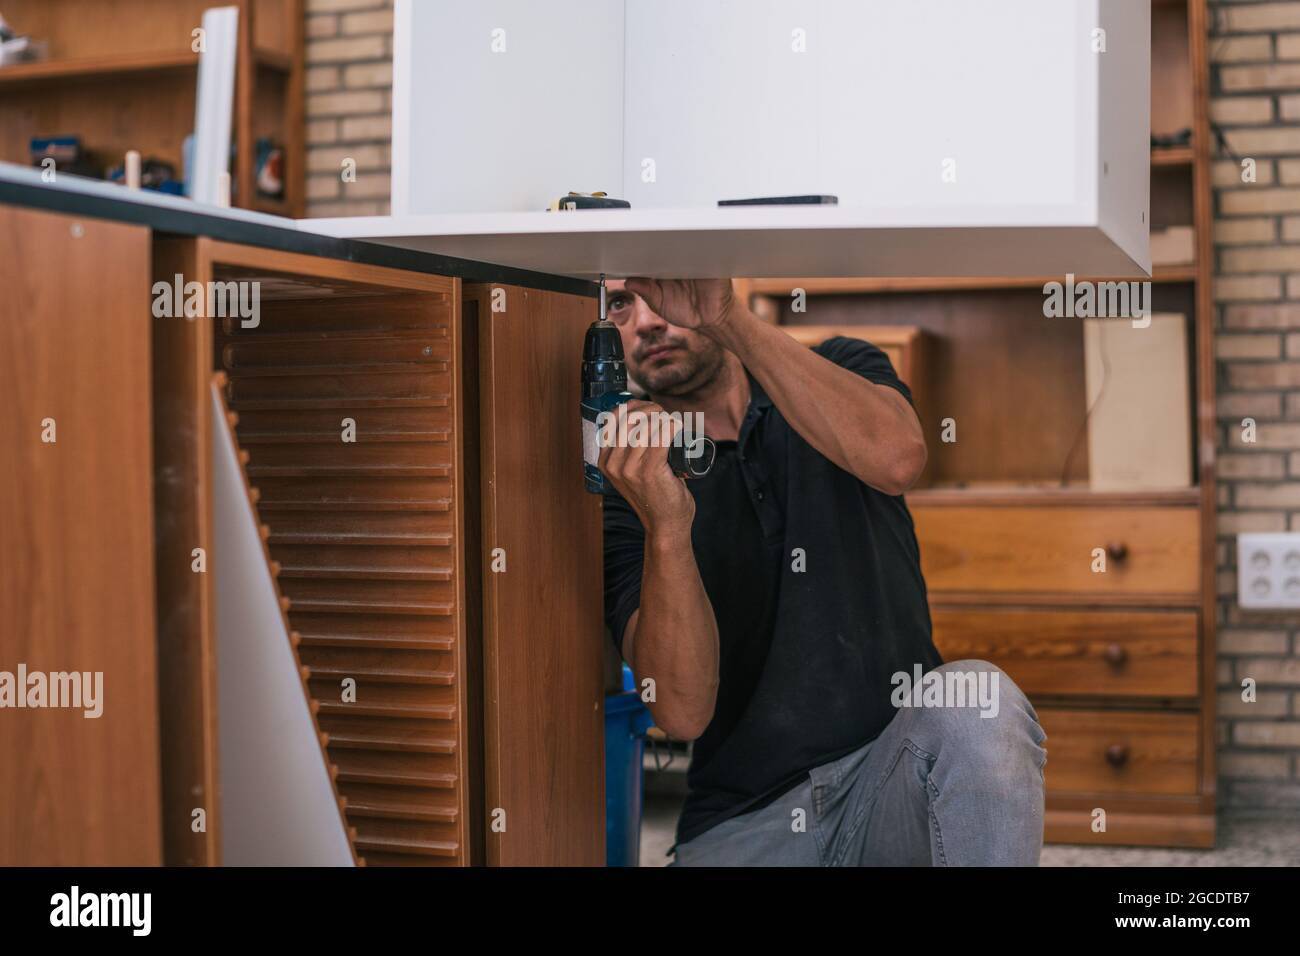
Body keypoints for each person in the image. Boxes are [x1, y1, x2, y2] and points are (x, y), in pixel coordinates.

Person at [598, 277, 1047, 866]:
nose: (649, 321)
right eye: (619, 304)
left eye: (660, 290)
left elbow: (898, 458)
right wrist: (669, 524)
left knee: (980, 701)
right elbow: (681, 712)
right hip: (745, 817)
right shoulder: (625, 484)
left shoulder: (840, 366)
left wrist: (725, 315)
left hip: (890, 779)